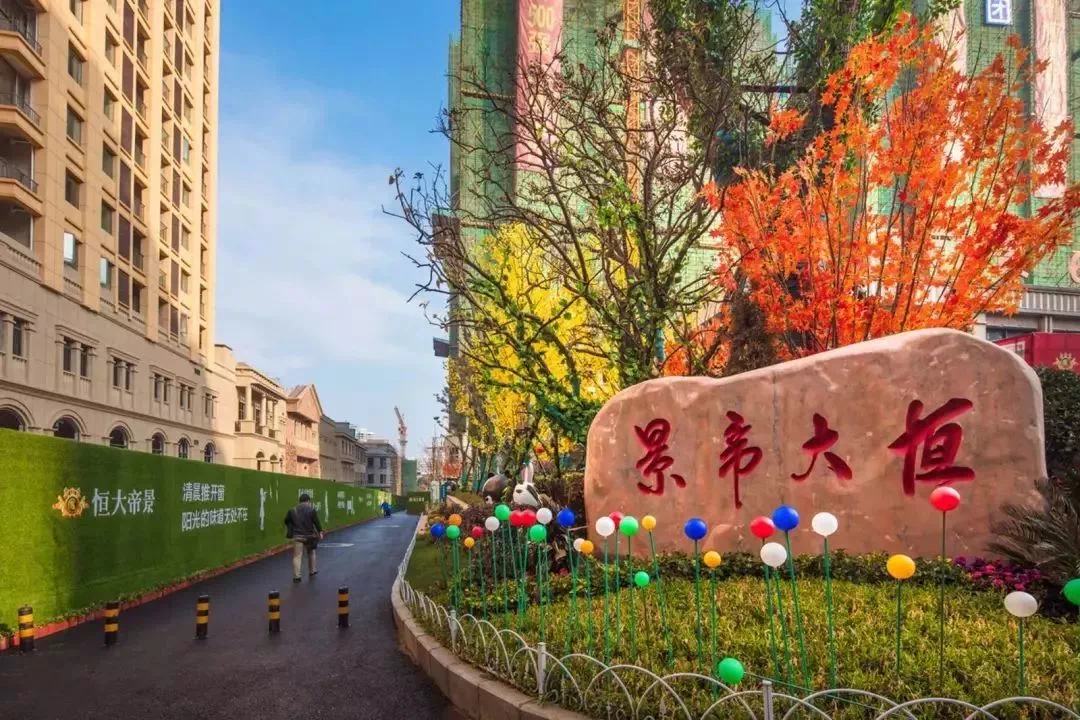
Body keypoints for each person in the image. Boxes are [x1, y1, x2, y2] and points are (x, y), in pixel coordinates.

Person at [284, 493, 323, 583]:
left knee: (297, 556)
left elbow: (286, 520)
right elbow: (316, 522)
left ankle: (297, 576)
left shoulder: (292, 510)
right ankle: (312, 570)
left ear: (299, 501)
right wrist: (320, 532)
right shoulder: (311, 509)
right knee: (311, 553)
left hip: (297, 536)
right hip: (309, 536)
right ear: (308, 501)